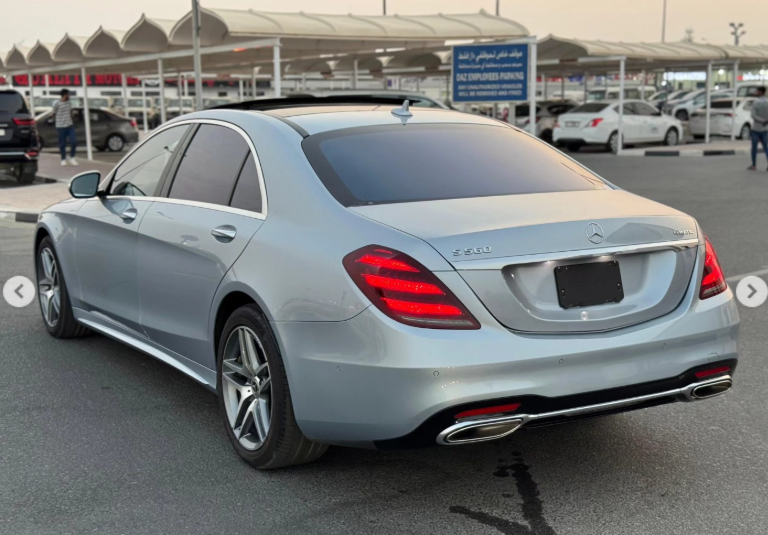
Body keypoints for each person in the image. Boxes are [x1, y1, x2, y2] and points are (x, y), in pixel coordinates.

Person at [52, 89, 78, 166]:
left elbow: (70, 112)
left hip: (70, 125)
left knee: (73, 141)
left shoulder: (69, 103)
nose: (69, 96)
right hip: (60, 126)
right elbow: (54, 113)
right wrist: (57, 120)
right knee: (62, 143)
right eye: (68, 94)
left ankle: (72, 157)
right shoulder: (57, 103)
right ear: (64, 95)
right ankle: (63, 159)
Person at [748, 86, 768, 171]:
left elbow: (753, 115)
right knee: (766, 147)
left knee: (754, 148)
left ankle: (754, 165)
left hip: (756, 128)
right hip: (765, 128)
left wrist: (761, 120)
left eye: (757, 91)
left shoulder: (756, 102)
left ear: (760, 92)